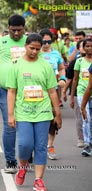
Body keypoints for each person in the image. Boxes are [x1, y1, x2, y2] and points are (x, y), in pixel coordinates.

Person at [7, 33, 62, 191]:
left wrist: (57, 113)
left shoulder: (45, 66)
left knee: (40, 147)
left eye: (38, 49)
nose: (35, 51)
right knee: (25, 144)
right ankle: (23, 165)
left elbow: (52, 91)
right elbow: (11, 91)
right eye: (32, 48)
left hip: (43, 112)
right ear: (26, 46)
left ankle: (38, 180)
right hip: (23, 112)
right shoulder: (16, 65)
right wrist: (11, 114)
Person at [0, 14, 27, 173]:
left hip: (28, 92)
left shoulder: (30, 42)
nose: (16, 34)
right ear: (8, 28)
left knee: (27, 124)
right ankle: (10, 161)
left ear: (24, 28)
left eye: (19, 30)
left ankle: (25, 155)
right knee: (9, 125)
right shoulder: (0, 42)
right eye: (13, 30)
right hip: (5, 91)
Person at [39, 28, 66, 160]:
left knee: (52, 119)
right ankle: (37, 146)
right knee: (38, 118)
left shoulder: (56, 54)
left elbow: (61, 68)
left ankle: (50, 145)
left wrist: (62, 79)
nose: (46, 44)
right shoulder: (35, 53)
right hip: (37, 92)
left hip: (53, 90)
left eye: (49, 41)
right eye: (44, 41)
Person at [71, 38, 92, 156]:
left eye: (91, 46)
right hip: (81, 93)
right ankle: (87, 144)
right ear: (83, 48)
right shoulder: (79, 61)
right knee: (86, 118)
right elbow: (75, 79)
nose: (89, 48)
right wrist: (71, 96)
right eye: (87, 46)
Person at [62, 40, 85, 148]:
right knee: (80, 117)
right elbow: (70, 79)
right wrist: (66, 93)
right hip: (77, 94)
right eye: (83, 46)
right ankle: (81, 139)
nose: (86, 48)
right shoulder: (75, 62)